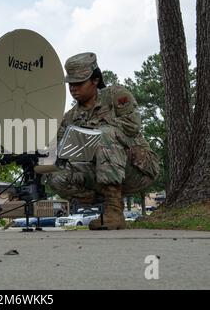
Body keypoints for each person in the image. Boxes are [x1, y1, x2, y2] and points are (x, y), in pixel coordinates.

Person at [46, 52, 160, 230]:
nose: (73, 88)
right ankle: (108, 203)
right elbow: (59, 150)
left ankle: (114, 212)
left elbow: (132, 126)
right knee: (53, 173)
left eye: (79, 83)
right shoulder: (70, 118)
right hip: (99, 175)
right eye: (71, 84)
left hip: (137, 169)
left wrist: (92, 129)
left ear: (95, 80)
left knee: (103, 135)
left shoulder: (116, 96)